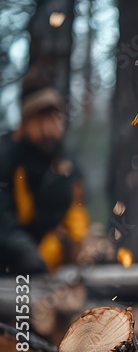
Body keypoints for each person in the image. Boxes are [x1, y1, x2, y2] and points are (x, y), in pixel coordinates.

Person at [0, 84, 89, 275]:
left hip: (51, 258)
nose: (49, 128)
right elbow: (4, 220)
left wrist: (79, 244)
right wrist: (26, 253)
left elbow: (76, 211)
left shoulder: (66, 164)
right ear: (26, 122)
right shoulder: (7, 158)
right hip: (12, 260)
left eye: (55, 119)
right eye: (42, 120)